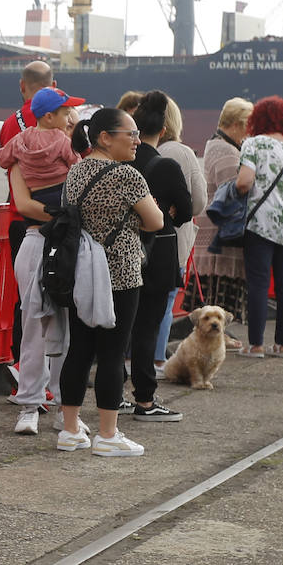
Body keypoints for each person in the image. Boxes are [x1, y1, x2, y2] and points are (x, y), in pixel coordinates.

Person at [57, 108, 163, 457]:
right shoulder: (127, 177)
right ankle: (107, 434)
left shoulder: (76, 170)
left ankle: (70, 430)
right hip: (120, 273)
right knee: (112, 353)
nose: (136, 140)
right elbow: (156, 221)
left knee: (79, 350)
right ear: (105, 137)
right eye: (129, 134)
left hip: (80, 272)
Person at [0, 86, 82, 434]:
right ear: (51, 115)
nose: (70, 118)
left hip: (34, 239)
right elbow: (78, 176)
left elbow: (21, 201)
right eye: (66, 112)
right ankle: (65, 406)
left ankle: (30, 404)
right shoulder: (65, 144)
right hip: (63, 241)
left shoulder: (18, 148)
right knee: (65, 327)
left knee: (32, 323)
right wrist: (64, 216)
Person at [234, 96, 283, 358]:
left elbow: (244, 182)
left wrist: (234, 189)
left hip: (261, 223)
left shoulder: (253, 144)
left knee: (258, 283)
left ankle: (256, 345)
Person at [128, 91, 189, 421]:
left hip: (120, 255)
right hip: (158, 255)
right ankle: (146, 400)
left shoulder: (121, 164)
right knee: (148, 328)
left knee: (119, 329)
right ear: (163, 131)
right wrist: (167, 213)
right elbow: (187, 211)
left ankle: (114, 395)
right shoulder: (166, 165)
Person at [0, 60, 55, 369]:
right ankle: (51, 364)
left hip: (20, 218)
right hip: (55, 219)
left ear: (23, 86)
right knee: (56, 296)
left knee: (26, 298)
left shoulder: (11, 124)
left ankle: (22, 364)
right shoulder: (61, 120)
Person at [152, 95, 207, 366]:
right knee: (165, 300)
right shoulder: (182, 153)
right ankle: (157, 358)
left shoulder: (141, 151)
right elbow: (198, 203)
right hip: (172, 240)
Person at [192, 98, 253, 337]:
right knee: (219, 285)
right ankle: (219, 335)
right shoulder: (226, 150)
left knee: (215, 286)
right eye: (248, 125)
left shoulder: (217, 144)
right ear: (237, 124)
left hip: (213, 226)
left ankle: (220, 334)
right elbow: (233, 189)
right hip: (220, 230)